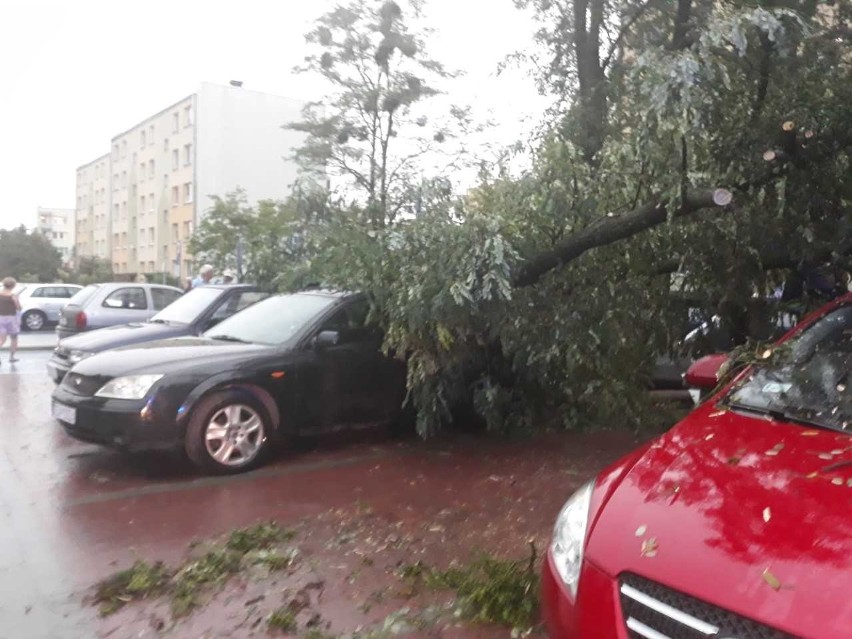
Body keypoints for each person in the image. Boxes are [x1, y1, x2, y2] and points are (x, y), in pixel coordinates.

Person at [0, 277, 22, 364]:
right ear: (13, 286)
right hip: (11, 319)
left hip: (0, 318)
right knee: (14, 338)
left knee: (2, 339)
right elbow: (18, 307)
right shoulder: (13, 296)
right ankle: (12, 357)